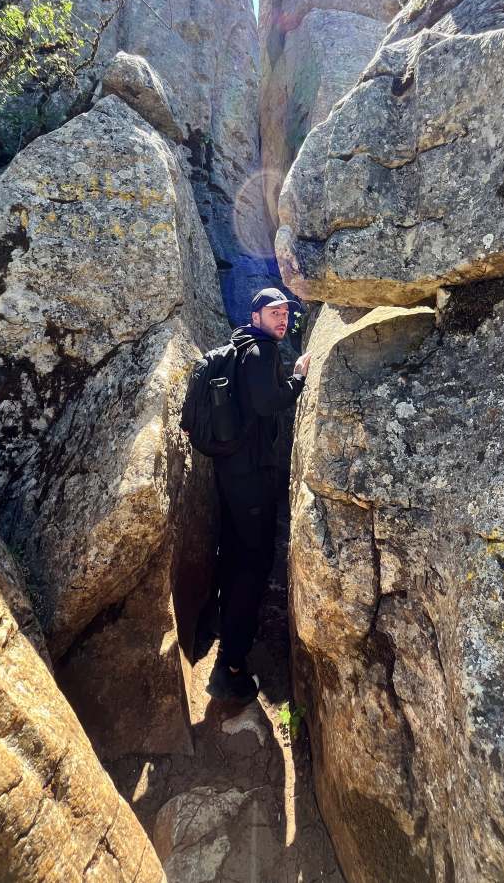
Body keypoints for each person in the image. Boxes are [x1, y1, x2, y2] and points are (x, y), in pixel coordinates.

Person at [206, 287, 312, 704]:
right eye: (274, 313)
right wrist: (299, 376)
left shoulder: (238, 343)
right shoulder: (263, 351)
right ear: (256, 316)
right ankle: (231, 666)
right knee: (254, 562)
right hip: (251, 475)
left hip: (230, 472)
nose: (282, 319)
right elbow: (269, 403)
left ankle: (221, 626)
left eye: (285, 313)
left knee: (232, 553)